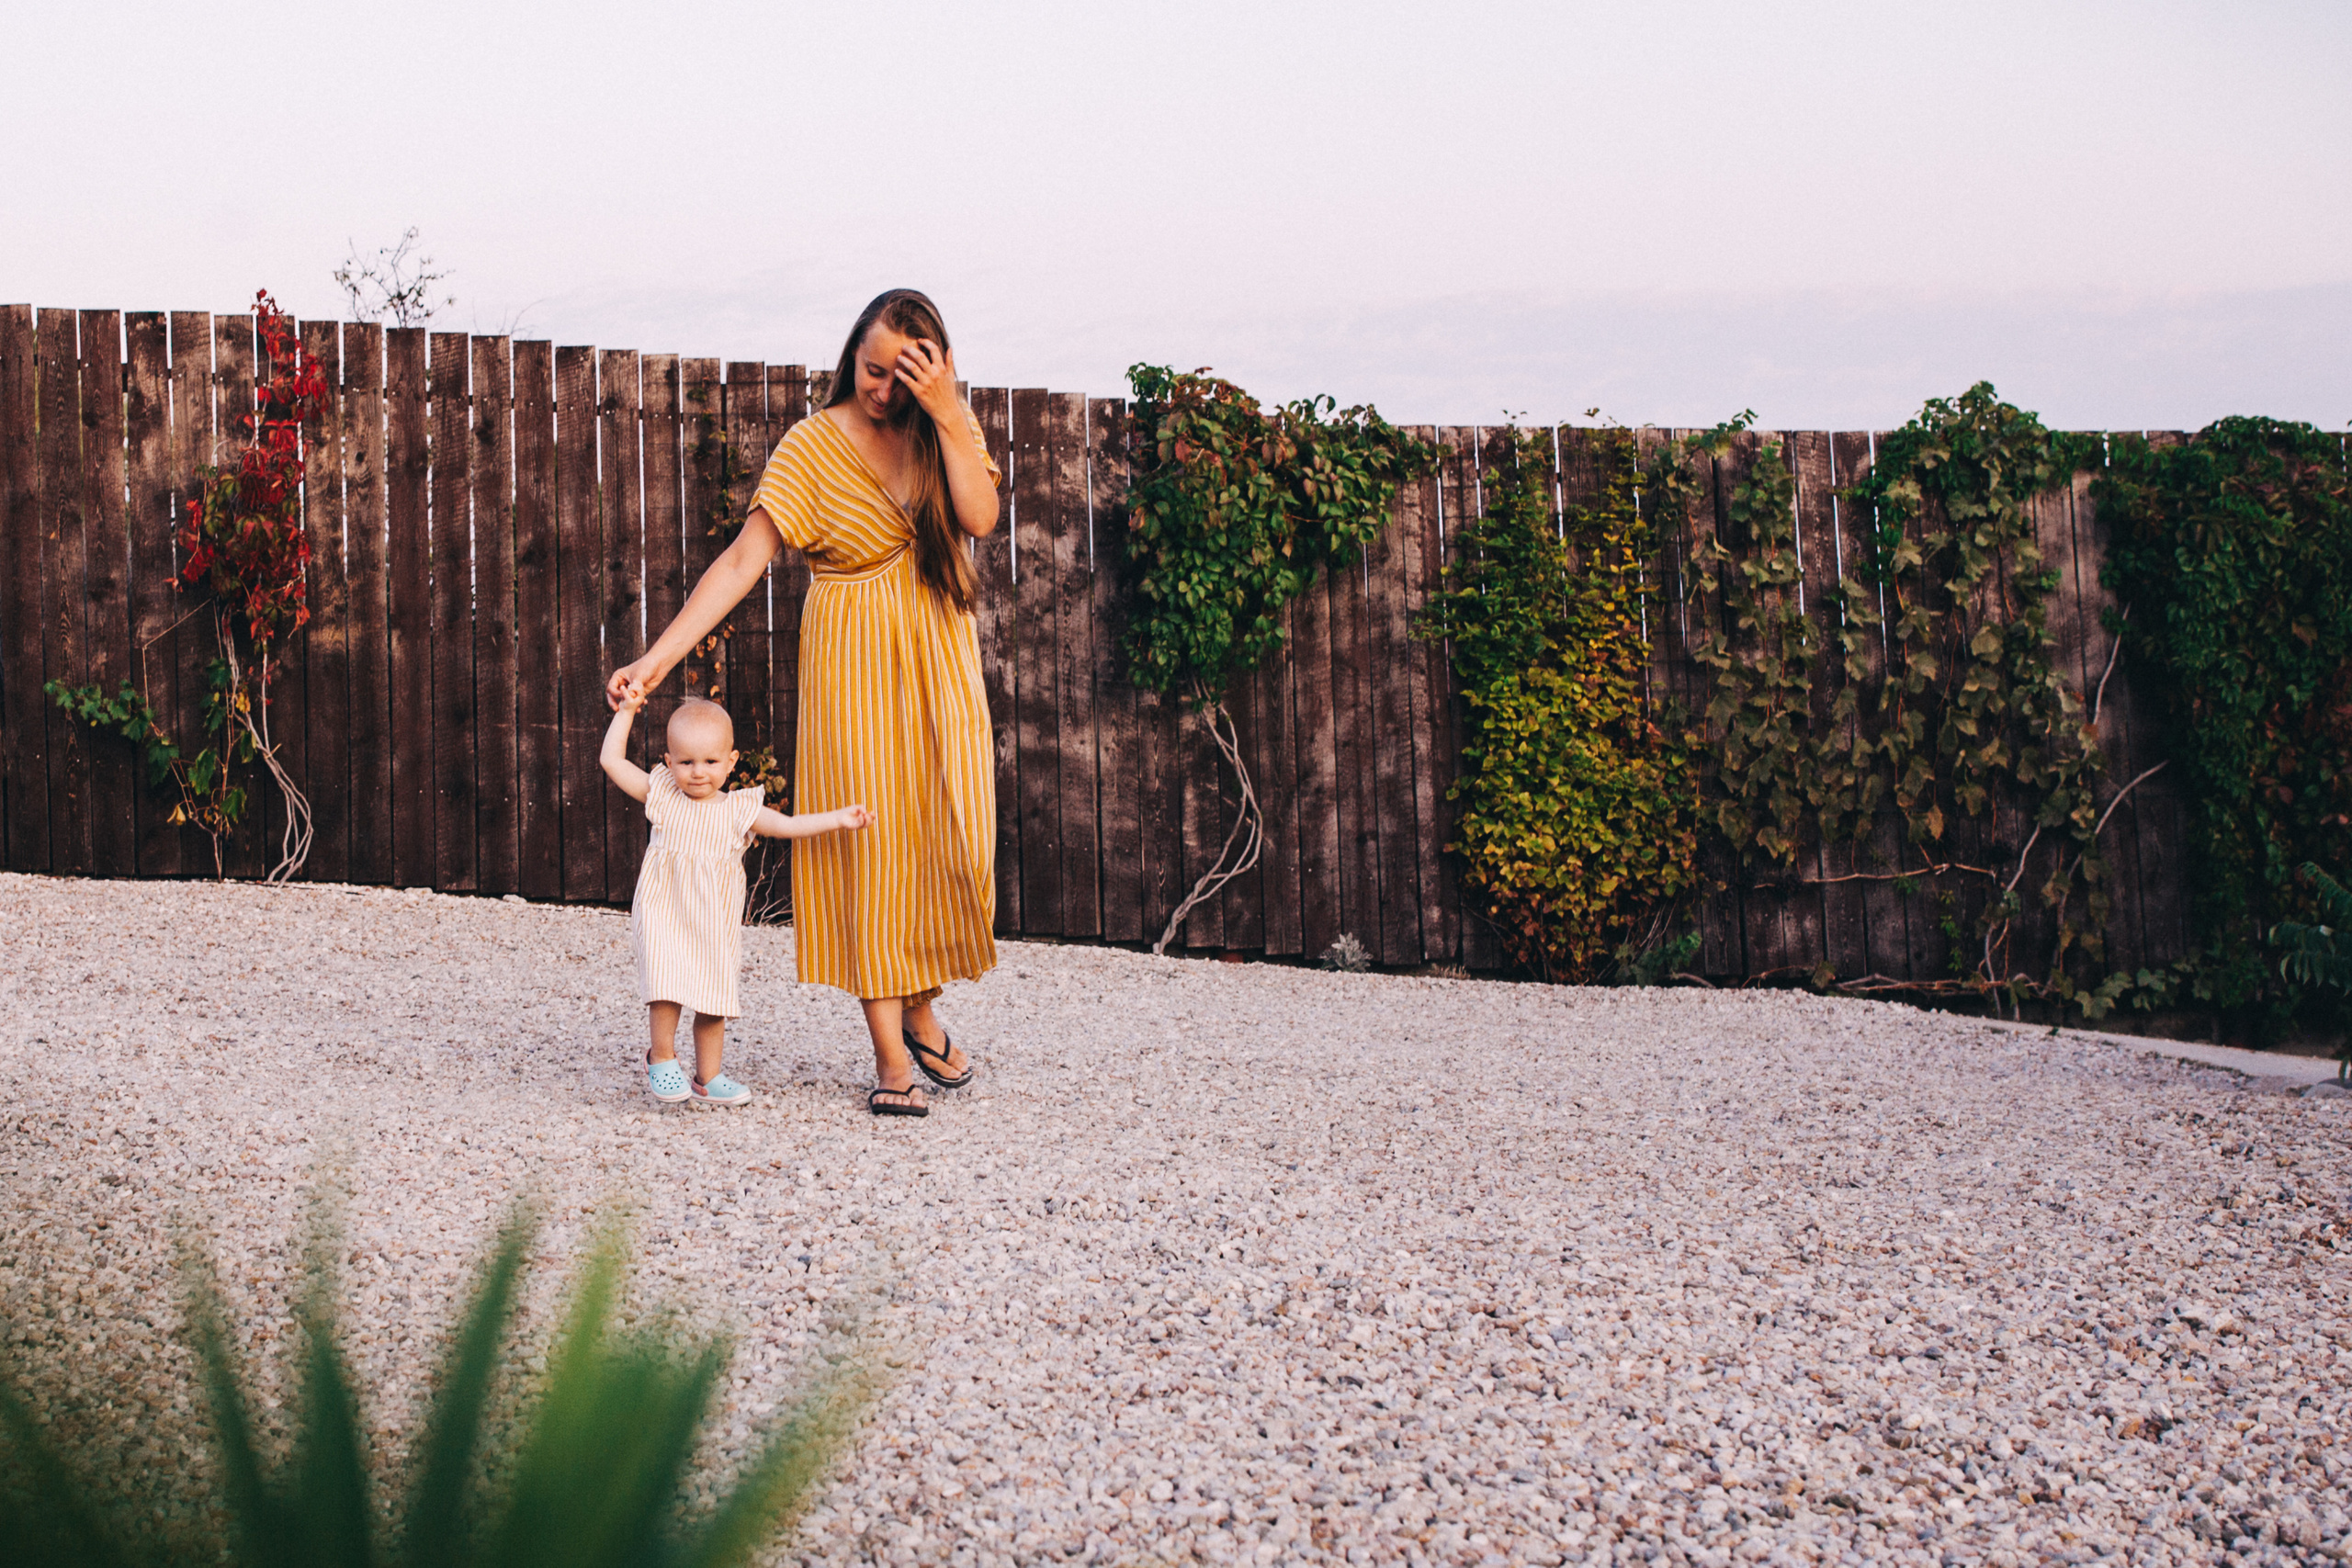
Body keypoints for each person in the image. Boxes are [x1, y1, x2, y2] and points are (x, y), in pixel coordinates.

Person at [606, 288, 1001, 1118]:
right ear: (849, 354)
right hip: (854, 661)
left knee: (944, 834)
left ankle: (922, 1010)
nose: (884, 389)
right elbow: (742, 562)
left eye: (904, 375)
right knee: (869, 845)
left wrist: (949, 406)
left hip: (938, 656)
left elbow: (981, 514)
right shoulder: (812, 446)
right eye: (871, 368)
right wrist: (656, 657)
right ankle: (893, 1053)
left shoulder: (940, 435)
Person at [601, 691, 871, 1105]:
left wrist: (838, 819)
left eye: (710, 762)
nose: (697, 772)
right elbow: (612, 762)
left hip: (713, 919)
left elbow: (789, 825)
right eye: (686, 762)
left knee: (713, 995)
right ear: (669, 762)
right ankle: (661, 1057)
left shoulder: (738, 810)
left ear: (731, 761)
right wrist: (627, 712)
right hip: (664, 910)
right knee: (666, 984)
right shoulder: (662, 796)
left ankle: (708, 1075)